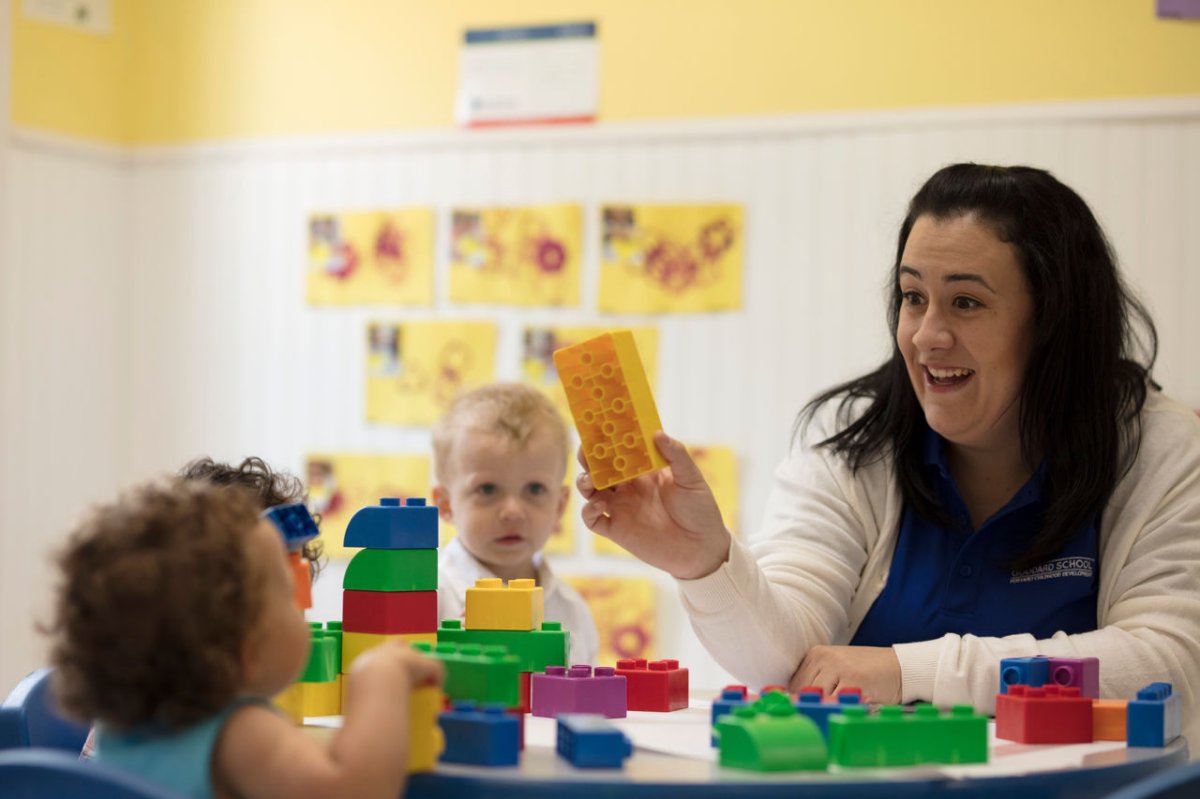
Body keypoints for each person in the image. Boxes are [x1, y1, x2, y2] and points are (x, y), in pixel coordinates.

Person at [576, 163, 1200, 743]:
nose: (928, 335)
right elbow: (788, 661)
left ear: (1053, 323)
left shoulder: (1161, 449)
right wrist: (706, 563)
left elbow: (1169, 663)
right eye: (912, 297)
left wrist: (908, 673)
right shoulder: (855, 443)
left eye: (967, 302)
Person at [48, 479, 444, 799]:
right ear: (245, 648)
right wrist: (379, 679)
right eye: (290, 594)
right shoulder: (238, 733)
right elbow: (354, 791)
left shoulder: (123, 727)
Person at [79, 455, 326, 759]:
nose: (303, 615)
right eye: (288, 592)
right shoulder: (242, 731)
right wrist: (380, 686)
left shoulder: (119, 722)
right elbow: (351, 784)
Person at [433, 382, 599, 665]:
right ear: (445, 504)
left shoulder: (573, 612)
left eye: (534, 489)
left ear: (559, 505)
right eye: (487, 489)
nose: (512, 512)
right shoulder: (430, 599)